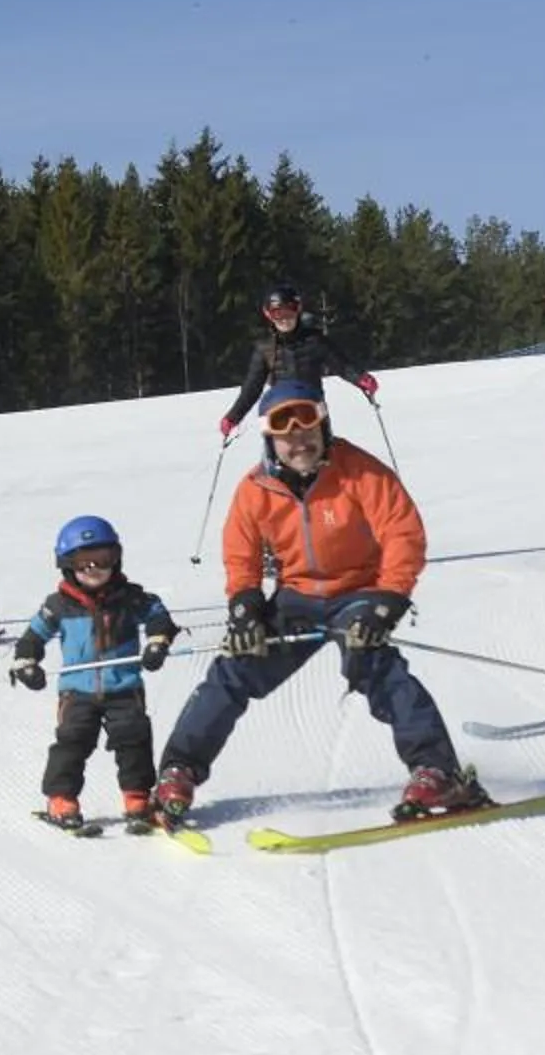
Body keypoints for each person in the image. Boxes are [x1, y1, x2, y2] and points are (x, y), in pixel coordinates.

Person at [154, 381, 489, 825]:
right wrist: (245, 609)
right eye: (284, 429)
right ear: (269, 437)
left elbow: (402, 533)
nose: (298, 439)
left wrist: (388, 600)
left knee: (369, 659)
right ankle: (179, 770)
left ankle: (437, 770)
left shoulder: (359, 472)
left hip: (359, 591)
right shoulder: (256, 489)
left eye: (307, 424)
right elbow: (241, 556)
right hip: (297, 597)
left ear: (324, 424)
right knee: (235, 667)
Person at [11, 516, 178, 831]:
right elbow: (32, 638)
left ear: (116, 558)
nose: (93, 569)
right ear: (66, 565)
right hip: (78, 689)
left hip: (124, 685)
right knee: (72, 742)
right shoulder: (59, 605)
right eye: (82, 562)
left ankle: (137, 797)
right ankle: (61, 798)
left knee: (134, 739)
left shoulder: (129, 598)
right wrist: (26, 662)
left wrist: (159, 641)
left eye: (102, 560)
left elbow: (158, 615)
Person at [218, 282, 380, 438]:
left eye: (289, 311)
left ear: (298, 309)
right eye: (277, 313)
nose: (284, 319)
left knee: (323, 456)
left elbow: (342, 365)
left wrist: (360, 378)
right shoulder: (265, 349)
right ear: (268, 314)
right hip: (281, 414)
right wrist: (233, 417)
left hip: (314, 411)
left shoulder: (315, 340)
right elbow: (251, 388)